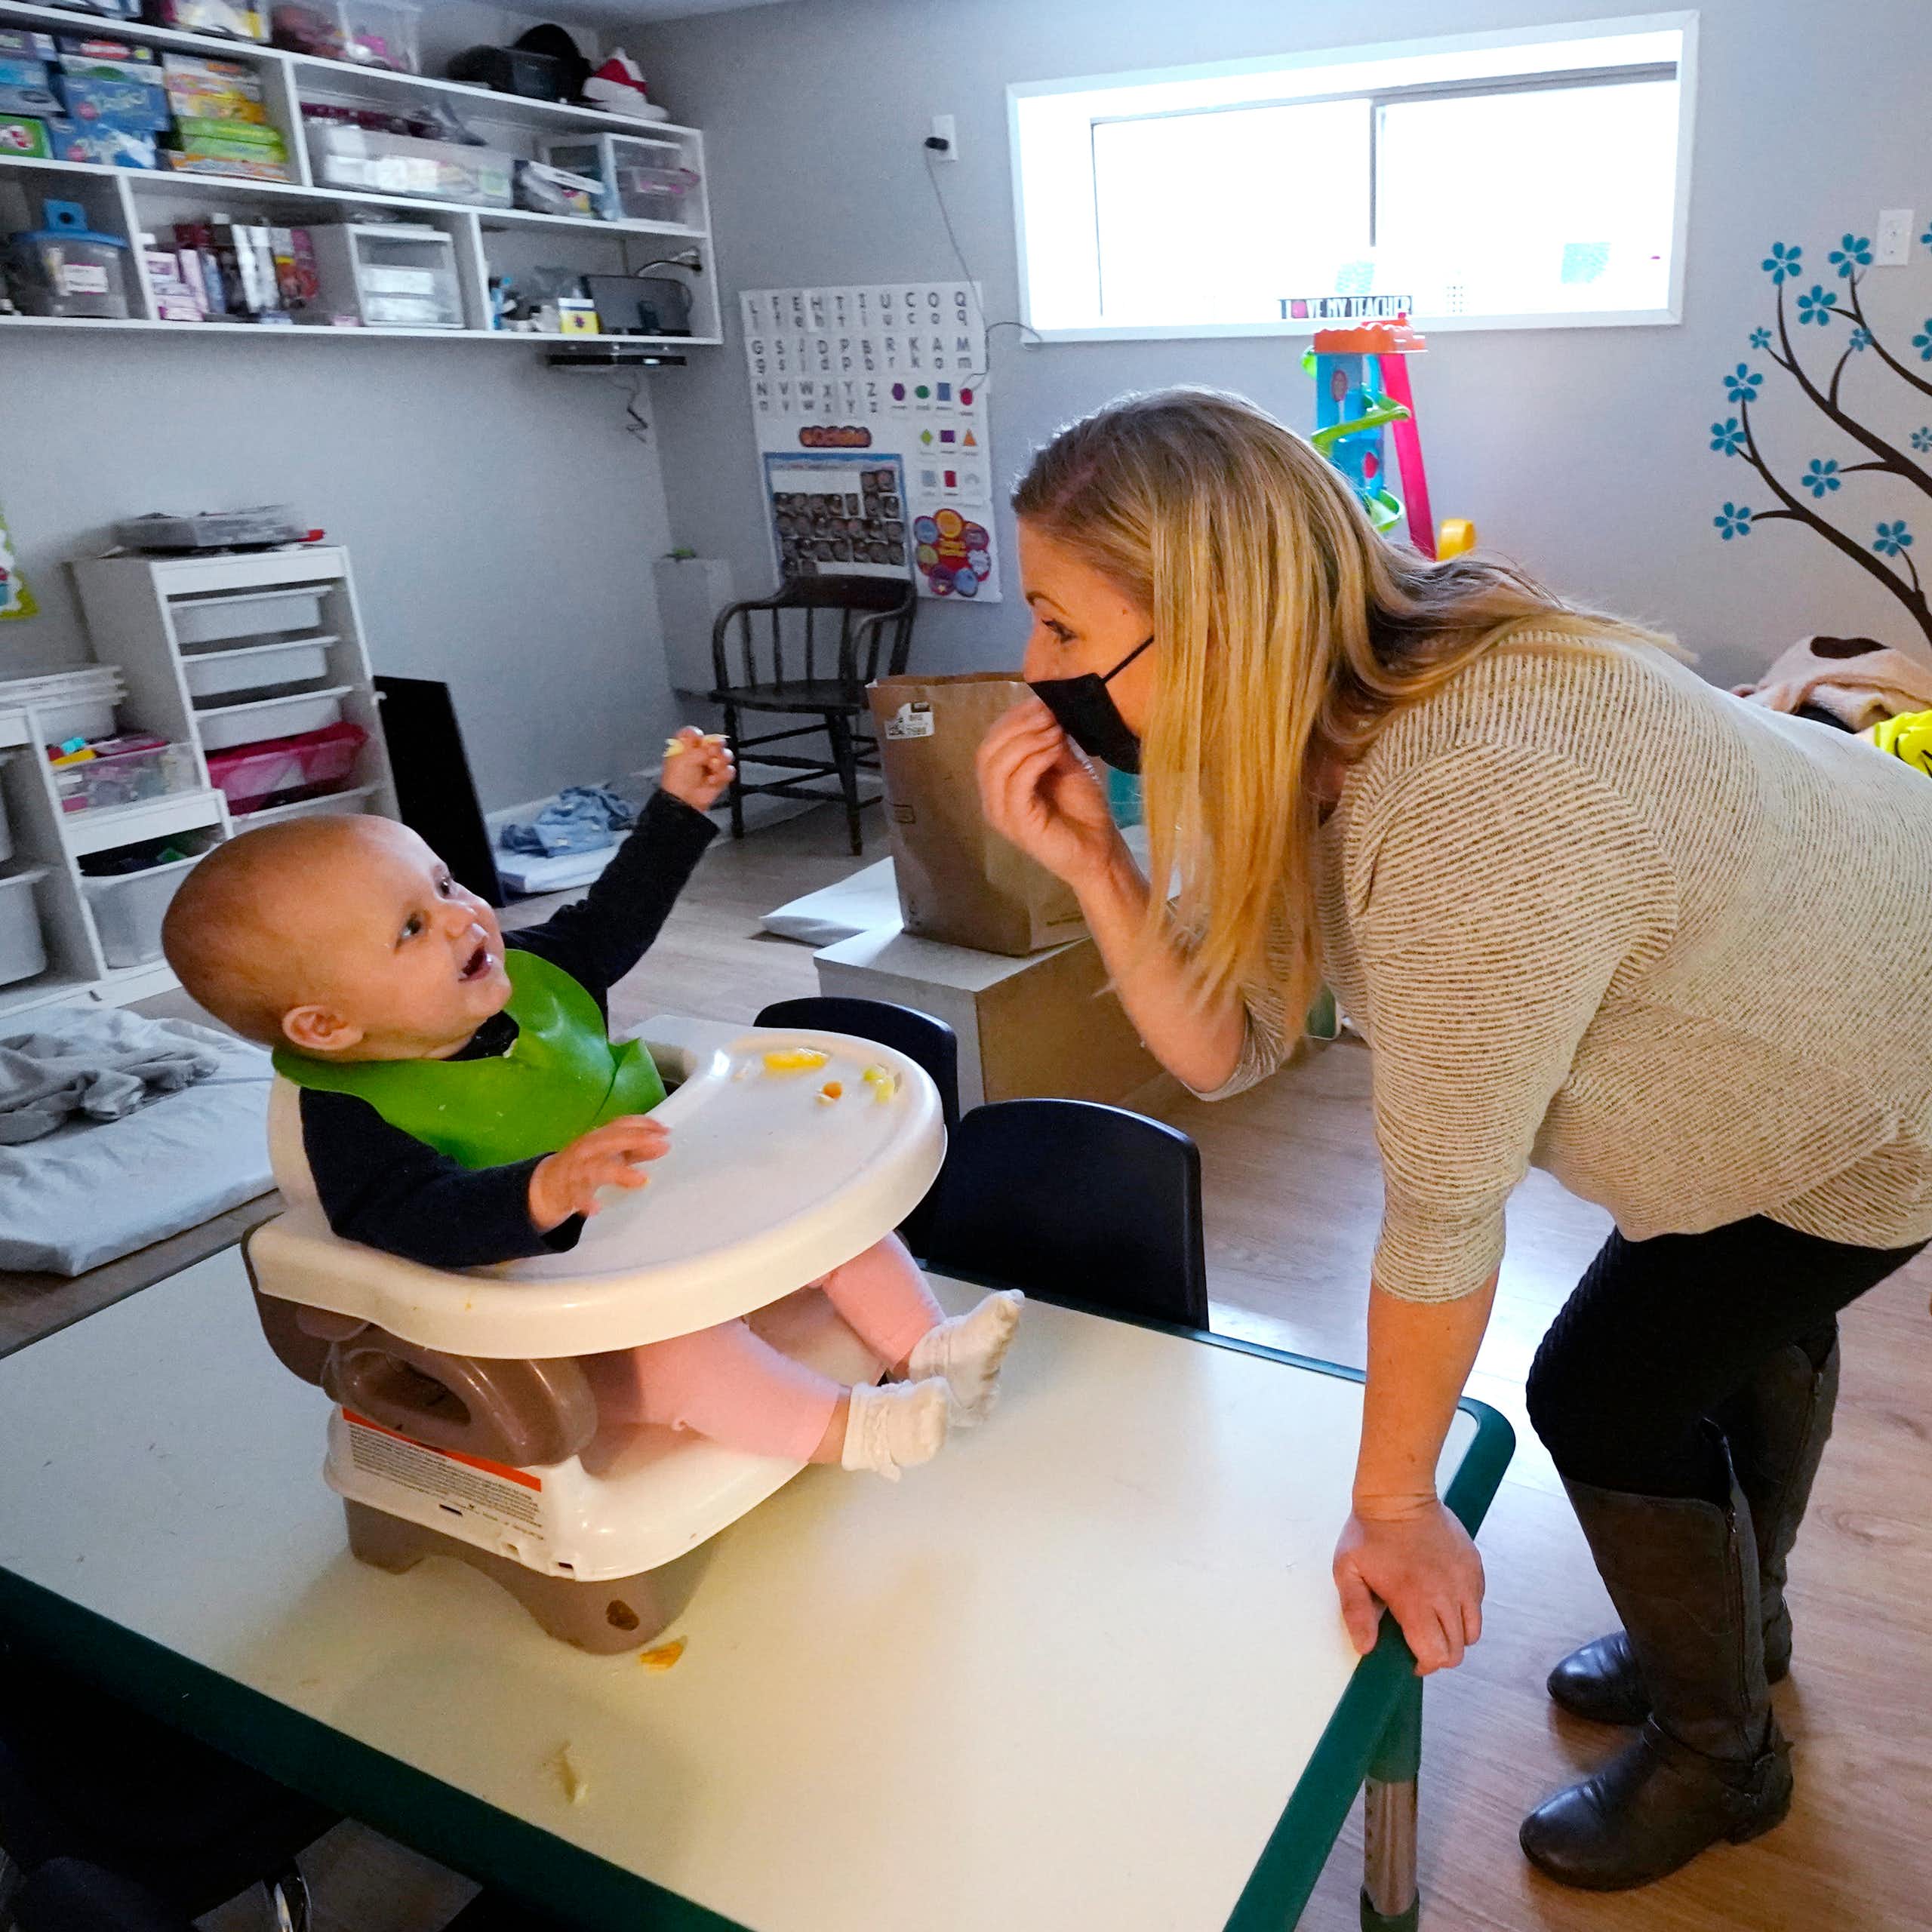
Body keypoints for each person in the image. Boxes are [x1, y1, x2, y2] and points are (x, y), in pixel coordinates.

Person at [977, 387, 1932, 1890]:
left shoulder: (1471, 793)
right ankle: (1731, 1632)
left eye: (1055, 624)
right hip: (1821, 993)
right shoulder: (1336, 686)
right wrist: (1098, 860)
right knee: (1703, 1333)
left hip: (1888, 1044)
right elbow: (1236, 1046)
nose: (1030, 671)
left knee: (1606, 1389)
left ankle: (1721, 1753)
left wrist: (1393, 1505)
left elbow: (1440, 1210)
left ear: (1209, 620)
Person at [162, 729, 1021, 1484]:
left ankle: (929, 1345)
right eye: (411, 929)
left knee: (837, 1221)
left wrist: (676, 811)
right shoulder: (351, 1112)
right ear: (327, 1024)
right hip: (563, 1318)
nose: (463, 920)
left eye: (448, 886)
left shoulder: (530, 977)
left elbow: (612, 920)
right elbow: (401, 1217)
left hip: (666, 1219)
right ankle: (858, 1432)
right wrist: (536, 1193)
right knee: (686, 1353)